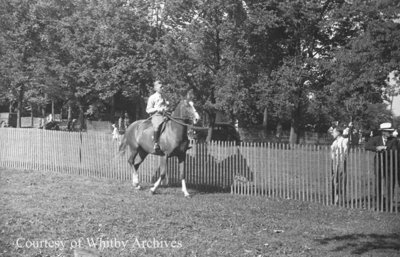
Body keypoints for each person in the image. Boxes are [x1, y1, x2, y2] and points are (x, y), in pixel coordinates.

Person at [365, 122, 397, 207]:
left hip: (390, 166)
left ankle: (389, 203)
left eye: (390, 131)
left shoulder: (394, 140)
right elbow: (367, 146)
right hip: (378, 165)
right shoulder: (376, 139)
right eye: (388, 131)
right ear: (383, 131)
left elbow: (395, 150)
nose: (390, 133)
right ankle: (379, 202)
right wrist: (376, 148)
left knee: (390, 184)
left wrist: (385, 148)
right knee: (378, 183)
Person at [328, 124, 349, 205]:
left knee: (339, 181)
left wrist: (340, 160)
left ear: (338, 132)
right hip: (334, 163)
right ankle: (335, 200)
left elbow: (344, 153)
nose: (332, 133)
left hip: (340, 163)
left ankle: (340, 200)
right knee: (334, 181)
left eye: (333, 132)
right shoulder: (334, 142)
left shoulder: (343, 140)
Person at [146, 80, 169, 151]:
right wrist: (157, 109)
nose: (162, 88)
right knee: (157, 126)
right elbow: (148, 110)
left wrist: (167, 107)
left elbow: (165, 107)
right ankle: (156, 143)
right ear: (156, 88)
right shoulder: (152, 97)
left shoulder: (164, 97)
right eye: (160, 87)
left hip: (165, 115)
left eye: (162, 87)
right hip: (156, 116)